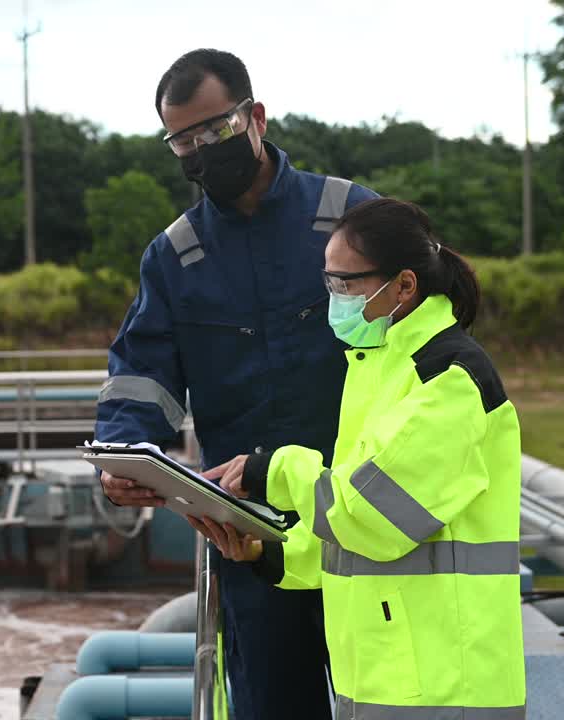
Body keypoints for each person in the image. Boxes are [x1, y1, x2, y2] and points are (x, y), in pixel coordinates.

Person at [95, 48, 378, 718]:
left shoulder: (350, 218)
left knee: (386, 700)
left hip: (365, 517)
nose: (199, 151)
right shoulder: (175, 257)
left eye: (213, 130)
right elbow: (142, 376)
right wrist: (123, 455)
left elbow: (421, 339)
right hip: (251, 536)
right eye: (182, 141)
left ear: (256, 117)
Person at [192, 198, 527, 719]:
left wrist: (274, 471)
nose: (334, 298)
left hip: (447, 689)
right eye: (329, 282)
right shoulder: (378, 367)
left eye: (345, 283)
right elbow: (352, 533)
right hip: (391, 682)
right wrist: (268, 550)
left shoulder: (448, 379)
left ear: (404, 285)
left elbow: (371, 517)